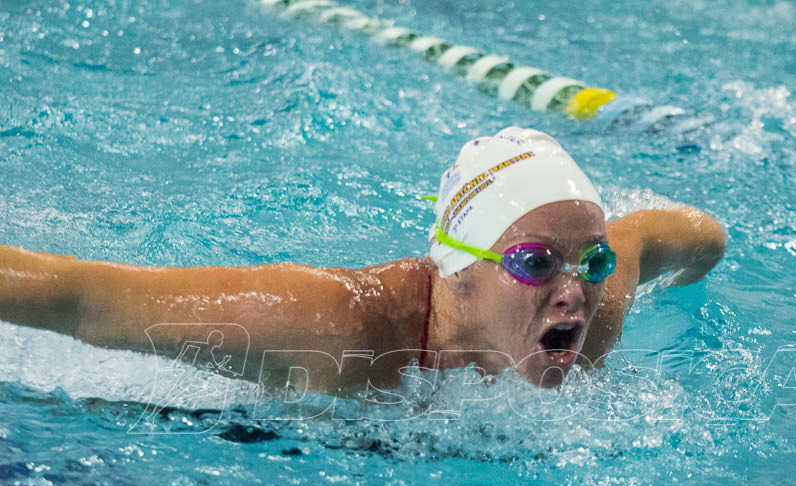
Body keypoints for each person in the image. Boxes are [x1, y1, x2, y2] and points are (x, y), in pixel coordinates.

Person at [0, 127, 725, 396]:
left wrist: (698, 270)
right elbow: (84, 298)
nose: (574, 291)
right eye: (535, 262)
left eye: (588, 263)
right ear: (457, 273)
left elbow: (682, 234)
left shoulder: (594, 318)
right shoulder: (334, 328)